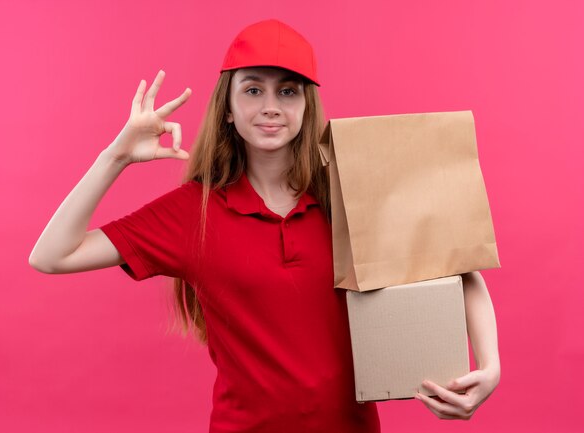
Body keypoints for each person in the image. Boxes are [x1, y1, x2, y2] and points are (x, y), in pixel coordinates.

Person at [29, 19, 500, 433]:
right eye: (253, 89)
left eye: (287, 90)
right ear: (228, 109)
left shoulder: (351, 193)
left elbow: (459, 270)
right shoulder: (194, 212)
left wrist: (491, 367)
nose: (271, 105)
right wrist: (116, 157)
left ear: (306, 106)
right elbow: (52, 255)